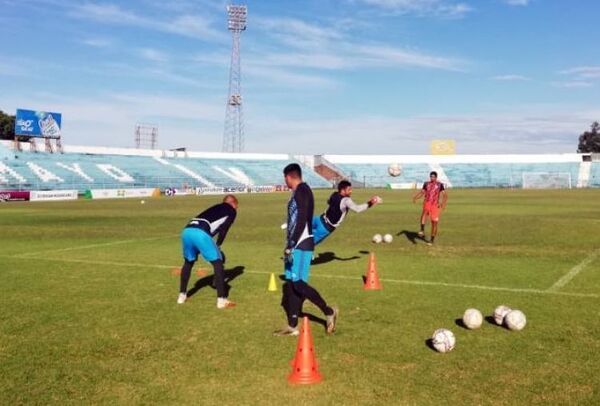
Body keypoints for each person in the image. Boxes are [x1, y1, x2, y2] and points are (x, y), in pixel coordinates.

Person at [274, 163, 338, 336]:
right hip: (297, 242)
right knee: (293, 284)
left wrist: (292, 243)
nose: (284, 180)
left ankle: (328, 311)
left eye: (284, 178)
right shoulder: (299, 191)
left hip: (300, 243)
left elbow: (302, 218)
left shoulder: (302, 190)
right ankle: (293, 325)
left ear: (289, 176)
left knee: (298, 284)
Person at [177, 194, 238, 308]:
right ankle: (221, 300)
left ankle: (182, 296)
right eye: (236, 206)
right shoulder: (231, 210)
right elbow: (224, 229)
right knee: (218, 263)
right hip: (200, 233)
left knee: (188, 262)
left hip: (187, 231)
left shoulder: (216, 207)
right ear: (234, 203)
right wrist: (218, 244)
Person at [313, 180, 381, 245]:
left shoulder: (334, 194)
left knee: (305, 234)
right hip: (324, 227)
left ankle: (307, 255)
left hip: (319, 220)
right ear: (342, 190)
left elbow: (329, 202)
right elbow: (357, 209)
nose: (351, 191)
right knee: (308, 244)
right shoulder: (346, 200)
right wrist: (370, 203)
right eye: (349, 190)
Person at [412, 171, 448, 246]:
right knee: (424, 213)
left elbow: (445, 195)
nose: (432, 178)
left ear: (436, 177)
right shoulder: (426, 184)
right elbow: (422, 192)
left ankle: (432, 240)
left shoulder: (440, 185)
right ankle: (422, 230)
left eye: (433, 177)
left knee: (434, 223)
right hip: (427, 202)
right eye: (431, 176)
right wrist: (416, 197)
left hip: (435, 205)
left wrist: (443, 204)